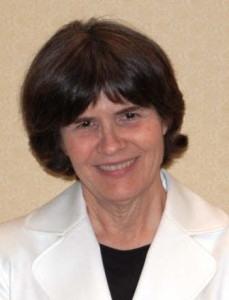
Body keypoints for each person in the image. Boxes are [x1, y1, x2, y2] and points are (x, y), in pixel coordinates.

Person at [0, 18, 228, 300]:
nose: (110, 145)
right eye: (85, 124)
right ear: (58, 140)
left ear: (165, 119)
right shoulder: (7, 259)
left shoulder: (225, 249)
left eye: (129, 116)